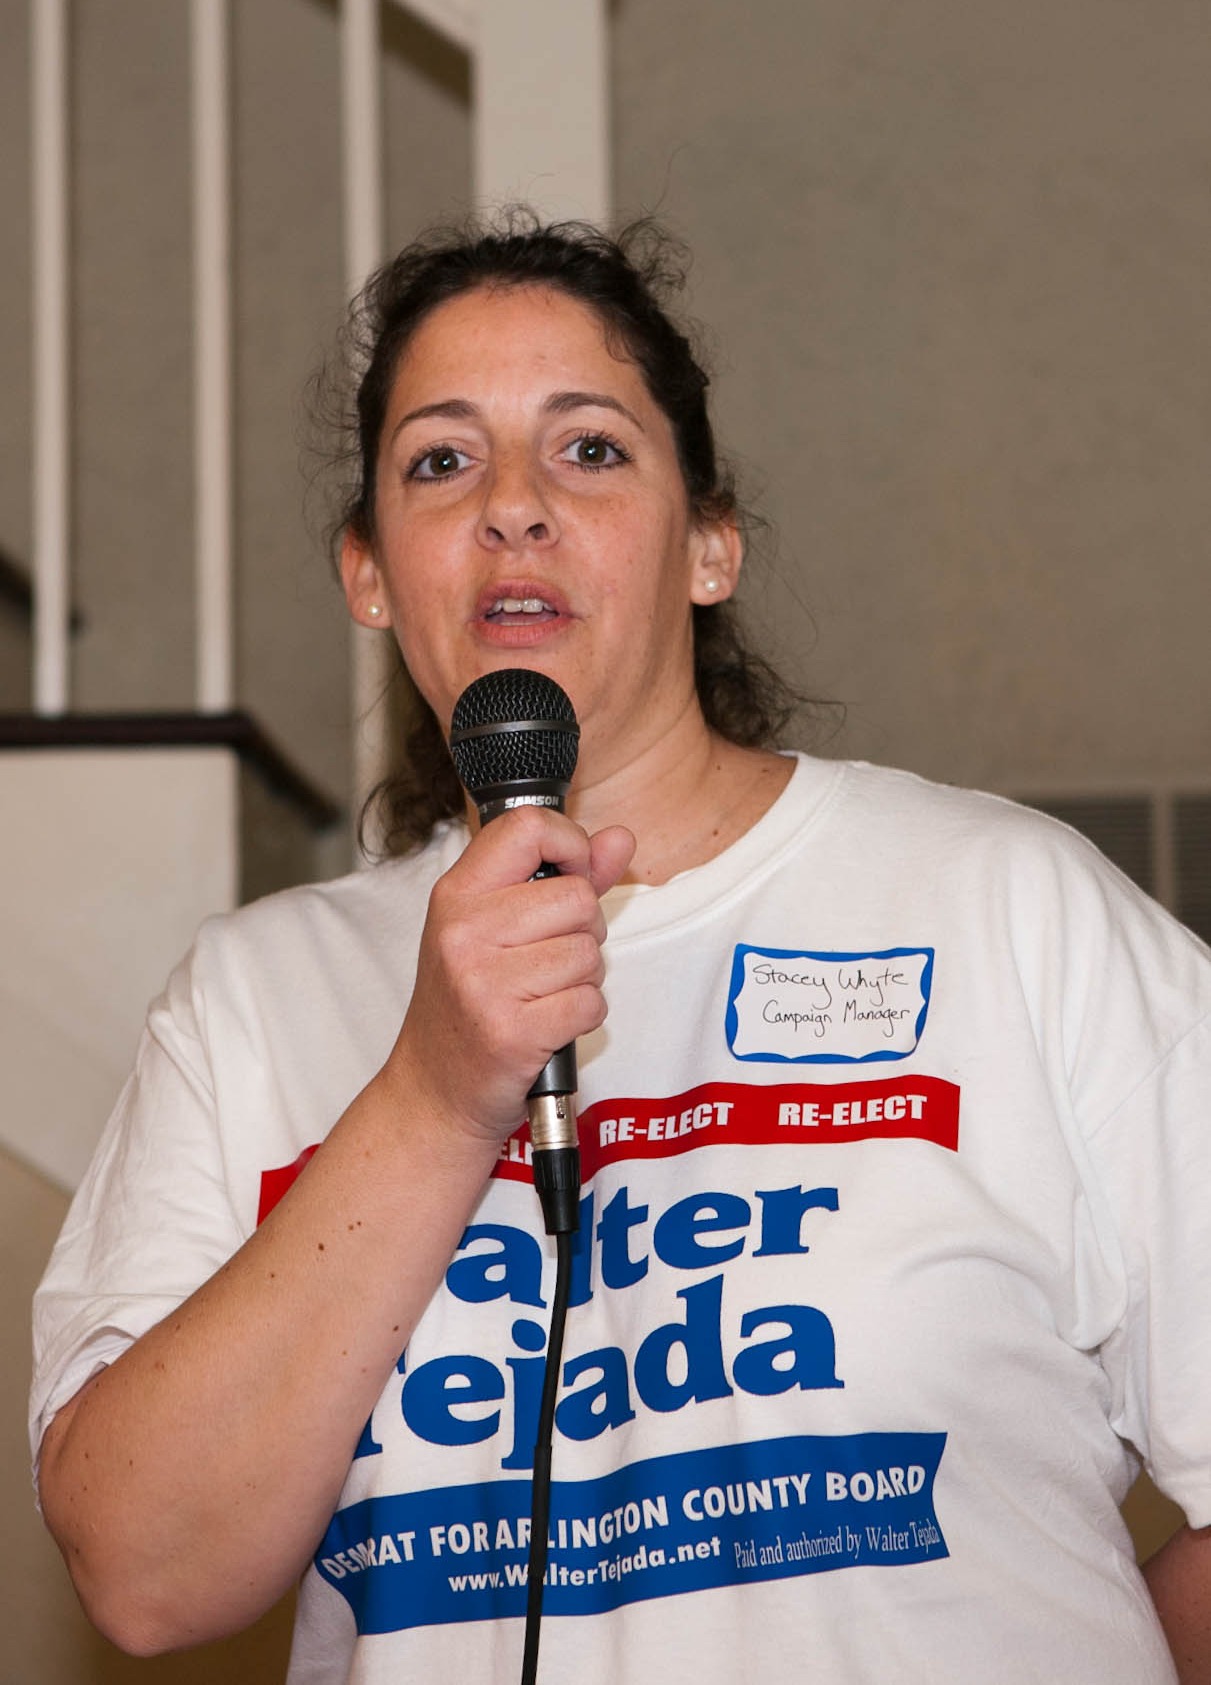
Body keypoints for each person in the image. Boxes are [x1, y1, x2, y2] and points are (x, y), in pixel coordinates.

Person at [30, 217, 1211, 1684]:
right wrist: (430, 1095)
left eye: (589, 450)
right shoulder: (250, 1007)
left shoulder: (1009, 910)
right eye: (440, 461)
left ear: (711, 546)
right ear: (369, 574)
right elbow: (142, 1577)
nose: (513, 508)